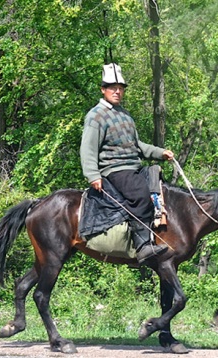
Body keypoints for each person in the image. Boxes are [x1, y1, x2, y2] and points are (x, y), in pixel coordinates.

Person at [80, 63, 174, 264]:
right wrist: (93, 175)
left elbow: (137, 145)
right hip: (114, 169)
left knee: (160, 185)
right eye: (112, 87)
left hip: (133, 167)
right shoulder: (95, 115)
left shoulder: (125, 115)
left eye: (120, 88)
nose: (117, 91)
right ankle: (142, 246)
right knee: (141, 194)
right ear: (103, 89)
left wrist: (160, 152)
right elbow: (87, 148)